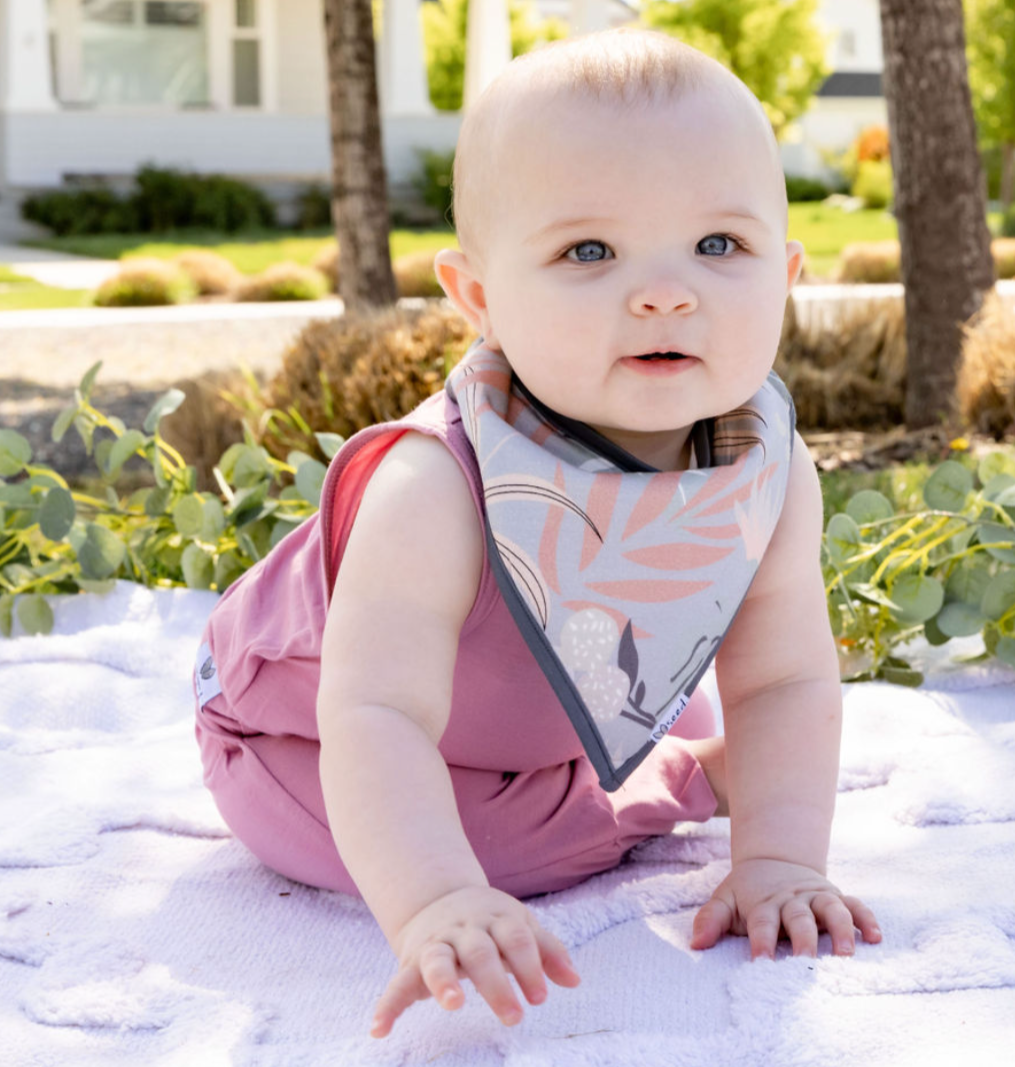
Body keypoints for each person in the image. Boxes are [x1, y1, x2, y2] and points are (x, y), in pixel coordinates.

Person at [193, 27, 881, 1041]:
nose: (663, 290)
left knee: (668, 685)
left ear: (784, 274)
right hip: (304, 735)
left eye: (717, 245)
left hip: (531, 700)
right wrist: (434, 898)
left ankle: (681, 762)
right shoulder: (438, 483)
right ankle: (675, 780)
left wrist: (776, 857)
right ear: (477, 297)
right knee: (496, 846)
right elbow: (375, 714)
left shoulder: (763, 469)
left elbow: (780, 677)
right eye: (588, 251)